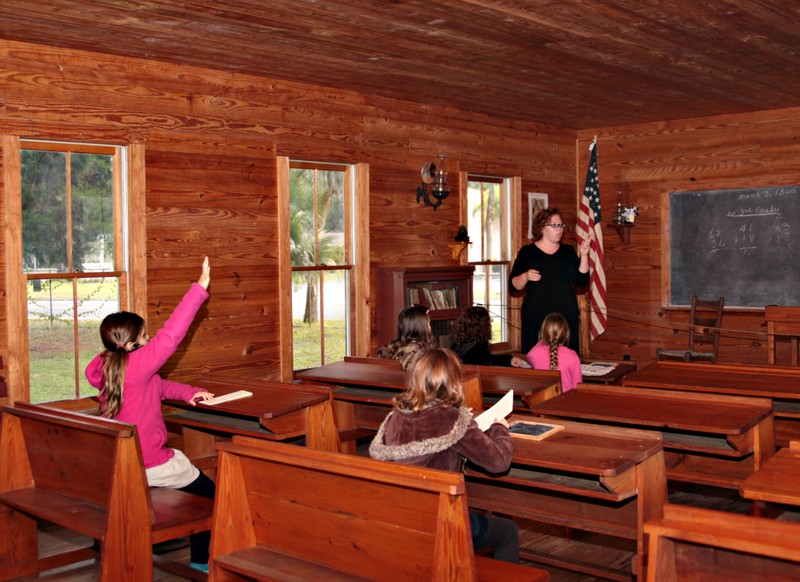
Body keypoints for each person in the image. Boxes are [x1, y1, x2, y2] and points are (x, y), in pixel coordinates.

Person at [85, 257, 216, 573]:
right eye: (145, 337)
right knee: (213, 497)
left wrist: (189, 392)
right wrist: (199, 288)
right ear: (132, 344)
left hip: (122, 463)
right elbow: (171, 335)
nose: (149, 341)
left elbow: (157, 387)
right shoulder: (137, 365)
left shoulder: (109, 369)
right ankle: (199, 564)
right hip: (152, 463)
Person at [369, 347, 520, 563]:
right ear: (453, 381)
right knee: (508, 531)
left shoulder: (395, 416)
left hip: (396, 514)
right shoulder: (453, 420)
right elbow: (499, 462)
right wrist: (500, 429)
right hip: (440, 520)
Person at [509, 207, 590, 355]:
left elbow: (582, 281)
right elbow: (513, 286)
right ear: (541, 228)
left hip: (566, 316)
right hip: (536, 316)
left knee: (567, 358)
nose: (559, 229)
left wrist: (584, 256)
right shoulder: (528, 252)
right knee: (536, 361)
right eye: (554, 225)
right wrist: (525, 276)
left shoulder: (568, 251)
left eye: (561, 225)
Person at [449, 305, 526, 367]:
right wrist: (508, 360)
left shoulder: (456, 346)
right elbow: (488, 361)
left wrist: (509, 360)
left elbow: (488, 359)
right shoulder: (478, 349)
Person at [525, 312, 582, 392]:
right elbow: (577, 386)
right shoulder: (572, 355)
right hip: (565, 402)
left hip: (541, 403)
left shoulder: (535, 354)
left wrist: (542, 339)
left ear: (543, 334)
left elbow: (528, 356)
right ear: (567, 334)